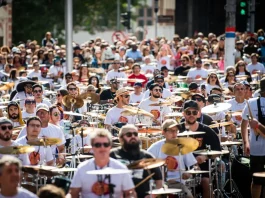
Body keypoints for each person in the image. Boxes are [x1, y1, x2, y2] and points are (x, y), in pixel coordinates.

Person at [69, 129, 136, 198]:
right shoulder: (82, 168)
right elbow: (73, 194)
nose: (102, 148)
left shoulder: (121, 168)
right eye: (98, 145)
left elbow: (130, 193)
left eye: (105, 144)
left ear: (110, 147)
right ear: (92, 147)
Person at [178, 100, 221, 198]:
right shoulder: (177, 130)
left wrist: (205, 156)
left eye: (194, 112)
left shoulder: (207, 130)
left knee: (206, 182)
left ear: (199, 114)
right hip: (182, 166)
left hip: (203, 167)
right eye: (188, 113)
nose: (191, 115)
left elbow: (218, 151)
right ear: (183, 114)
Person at [147, 119, 196, 198]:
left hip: (178, 183)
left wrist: (189, 173)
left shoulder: (182, 146)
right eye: (171, 131)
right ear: (163, 132)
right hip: (159, 184)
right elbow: (145, 166)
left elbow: (195, 166)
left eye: (176, 131)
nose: (174, 134)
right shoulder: (155, 147)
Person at [110, 124, 163, 198]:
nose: (133, 136)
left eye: (135, 134)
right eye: (129, 134)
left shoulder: (146, 156)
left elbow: (159, 178)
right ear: (121, 138)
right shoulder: (112, 155)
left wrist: (154, 195)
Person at [241, 77, 265, 198]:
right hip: (258, 149)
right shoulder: (250, 103)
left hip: (256, 149)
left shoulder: (251, 103)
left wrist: (245, 143)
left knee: (256, 181)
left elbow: (243, 124)